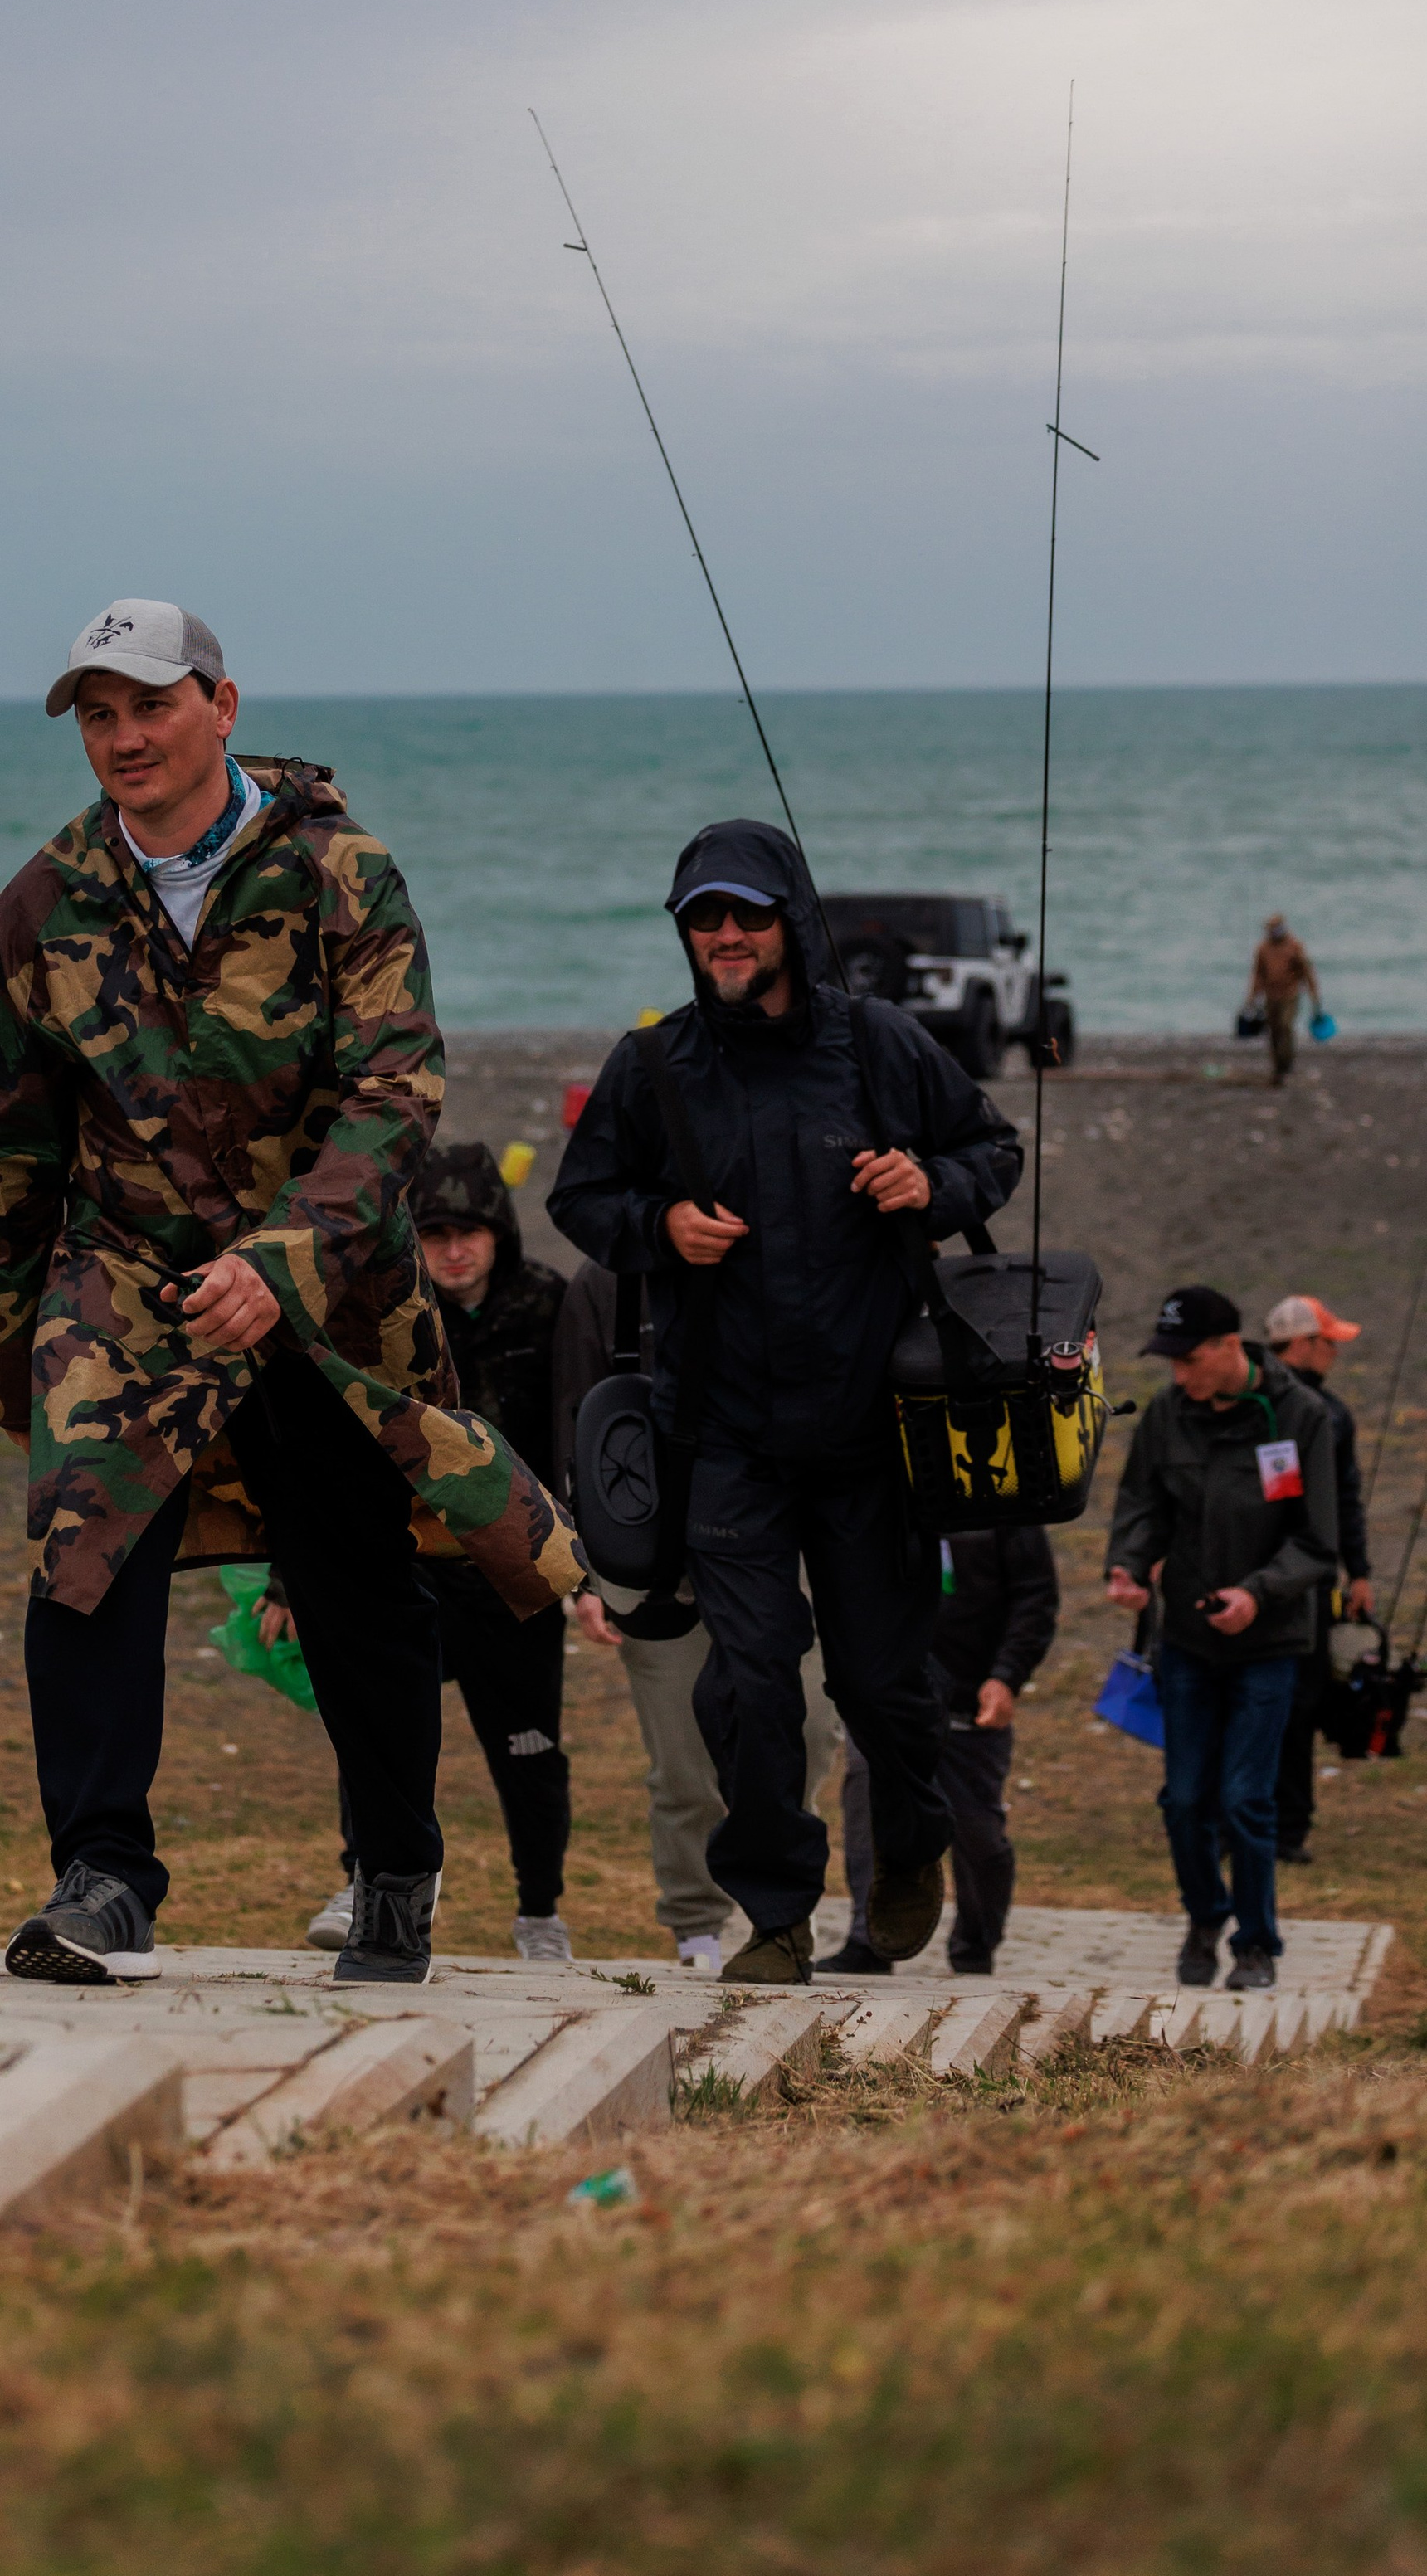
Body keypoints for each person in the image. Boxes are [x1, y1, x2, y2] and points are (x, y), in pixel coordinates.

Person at [0, 597, 578, 1991]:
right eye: (99, 716)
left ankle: (396, 1868)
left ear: (223, 707)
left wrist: (283, 1262)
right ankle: (102, 1880)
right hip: (127, 1276)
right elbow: (10, 1144)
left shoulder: (339, 874)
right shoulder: (44, 902)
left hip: (330, 1286)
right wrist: (14, 1352)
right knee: (82, 1552)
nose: (125, 737)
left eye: (152, 705)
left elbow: (395, 1092)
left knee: (356, 1584)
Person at [547, 815, 1023, 1985]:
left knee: (882, 1685)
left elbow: (992, 1151)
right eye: (702, 917)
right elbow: (580, 1199)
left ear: (790, 922)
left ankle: (909, 1845)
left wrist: (928, 1182)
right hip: (722, 1435)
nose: (724, 934)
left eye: (746, 914)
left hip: (871, 1435)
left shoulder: (882, 1044)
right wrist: (660, 1225)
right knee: (754, 1683)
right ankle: (773, 1916)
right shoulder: (652, 1065)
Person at [290, 1142, 576, 1963]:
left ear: (499, 1235)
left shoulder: (548, 1304)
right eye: (438, 1233)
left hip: (516, 1567)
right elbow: (333, 1442)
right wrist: (284, 1578)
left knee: (530, 1752)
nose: (454, 1251)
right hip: (410, 1558)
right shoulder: (385, 1307)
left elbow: (575, 1427)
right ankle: (365, 1880)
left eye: (470, 1233)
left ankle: (540, 1915)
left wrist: (591, 1563)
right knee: (377, 1724)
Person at [552, 1257, 840, 1970]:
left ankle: (781, 1904)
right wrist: (586, 1574)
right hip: (655, 1558)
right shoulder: (606, 1278)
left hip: (773, 1548)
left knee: (808, 1726)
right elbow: (579, 1427)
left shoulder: (787, 1248)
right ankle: (696, 1927)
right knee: (683, 1763)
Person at [1105, 1283, 1338, 1990]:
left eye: (1189, 1360)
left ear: (1229, 1347)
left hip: (1268, 1643)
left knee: (1245, 1799)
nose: (1180, 1375)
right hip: (1187, 1639)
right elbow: (1142, 1503)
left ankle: (1256, 1944)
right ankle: (1206, 1917)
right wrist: (1128, 1564)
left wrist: (1257, 1592)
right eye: (1172, 1362)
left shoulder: (1300, 1415)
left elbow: (1318, 1542)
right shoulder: (1167, 1414)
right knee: (1183, 1800)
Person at [825, 1526, 1059, 1976]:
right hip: (888, 1692)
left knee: (977, 1832)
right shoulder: (876, 1497)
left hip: (971, 1699)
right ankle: (870, 1941)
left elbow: (1035, 1597)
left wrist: (1007, 1676)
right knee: (867, 1800)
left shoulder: (1002, 1503)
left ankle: (974, 1945)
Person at [1265, 1293, 1376, 1864]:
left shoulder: (1329, 1414)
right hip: (1284, 1582)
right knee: (1286, 1703)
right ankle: (1276, 1824)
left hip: (1298, 1580)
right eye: (1329, 1342)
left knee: (1299, 1702)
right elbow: (1345, 1502)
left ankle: (1283, 1826)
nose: (1334, 1352)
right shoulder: (1281, 1406)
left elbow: (1345, 1500)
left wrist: (1359, 1571)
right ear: (1304, 1344)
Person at [1247, 917, 1320, 1089]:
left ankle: (1287, 1064)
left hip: (1290, 995)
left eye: (1275, 928)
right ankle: (1278, 1067)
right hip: (1271, 996)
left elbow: (1306, 971)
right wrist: (1252, 997)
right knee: (1273, 1030)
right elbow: (1258, 974)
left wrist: (1313, 993)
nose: (1272, 931)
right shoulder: (1263, 948)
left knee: (1285, 1026)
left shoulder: (1294, 946)